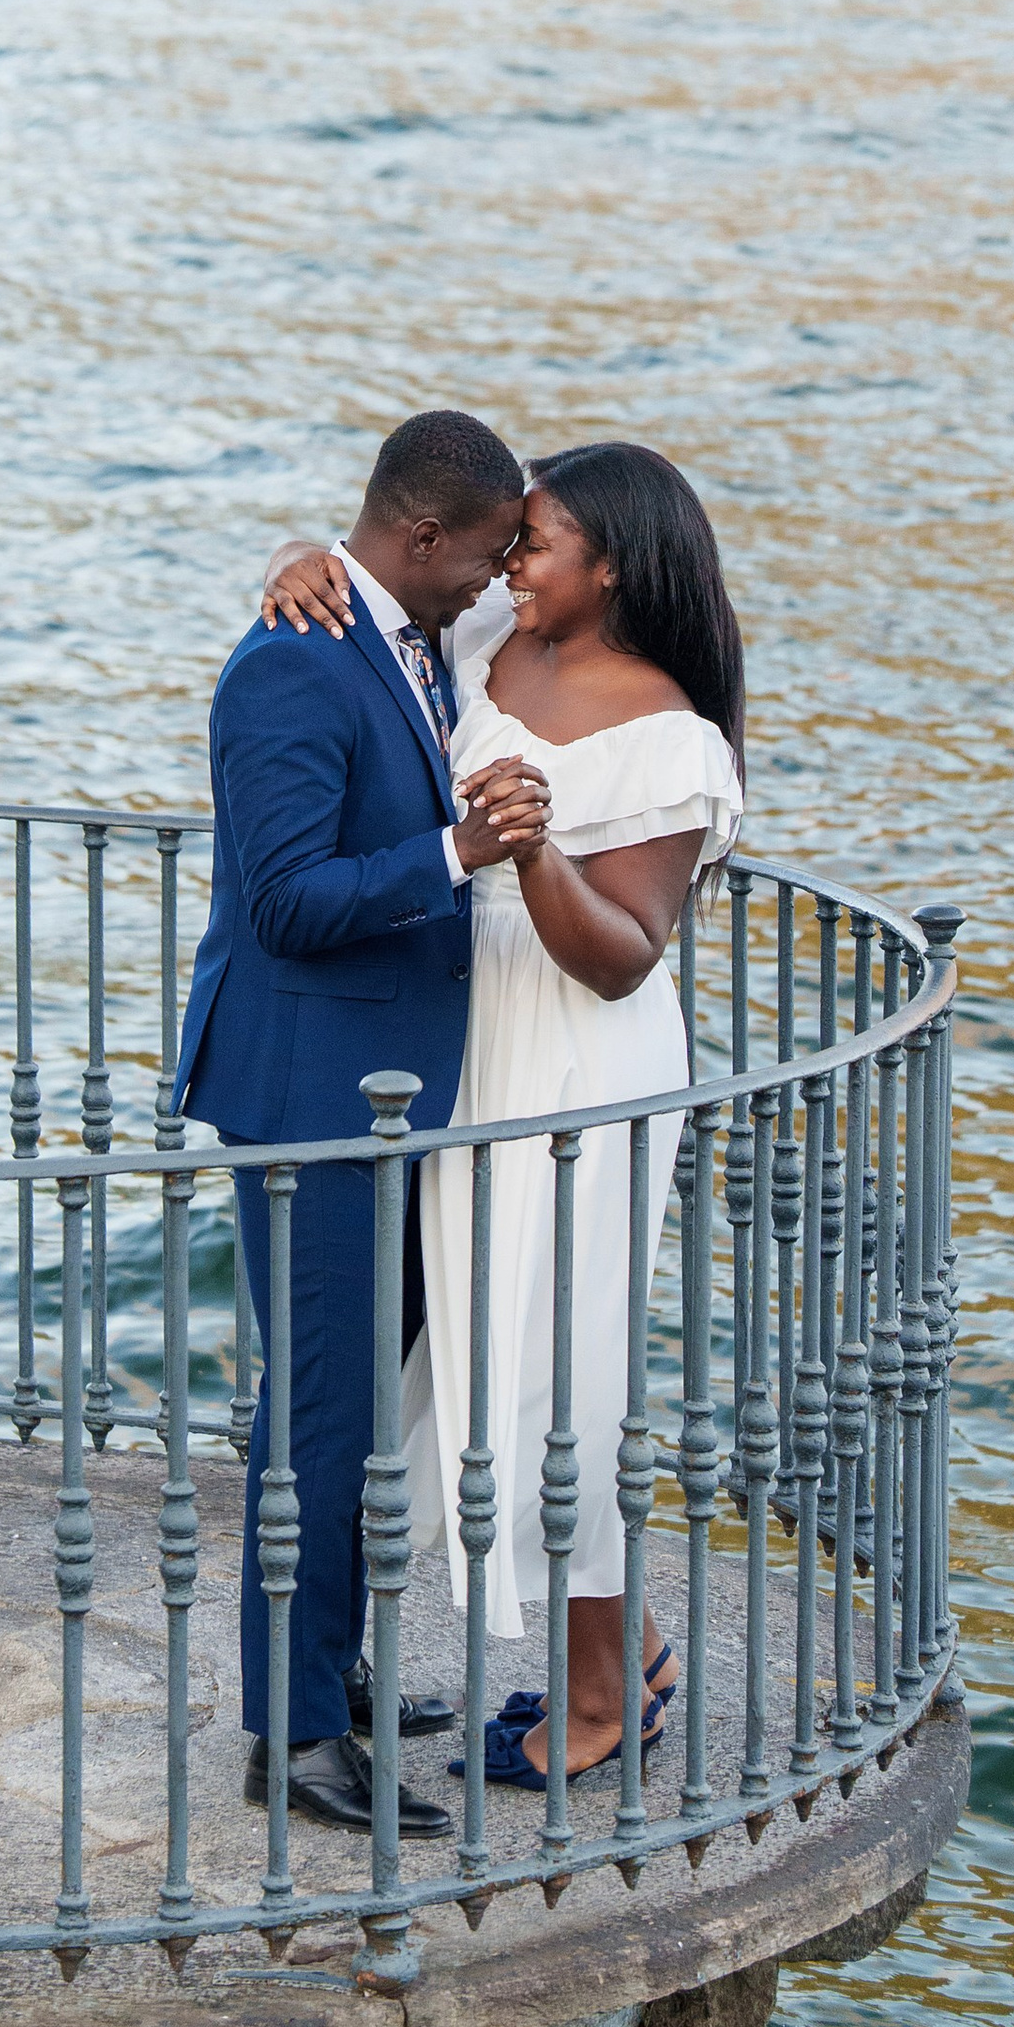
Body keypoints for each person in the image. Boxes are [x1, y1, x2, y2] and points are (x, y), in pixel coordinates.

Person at [261, 442, 744, 1792]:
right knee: (483, 1355)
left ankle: (603, 1694)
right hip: (470, 1044)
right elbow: (386, 604)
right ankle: (626, 1648)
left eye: (536, 544)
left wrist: (532, 854)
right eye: (511, 541)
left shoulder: (673, 739)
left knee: (559, 1366)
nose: (509, 564)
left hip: (579, 1063)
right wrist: (301, 565)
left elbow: (624, 955)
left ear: (615, 568)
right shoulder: (493, 638)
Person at [175, 407, 548, 1835]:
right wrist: (458, 850)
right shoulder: (291, 661)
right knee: (320, 1416)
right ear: (424, 535)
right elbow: (282, 902)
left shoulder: (411, 632)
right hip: (311, 1096)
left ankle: (326, 1669)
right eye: (490, 552)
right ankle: (291, 1736)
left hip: (386, 1093)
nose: (501, 576)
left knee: (349, 1410)